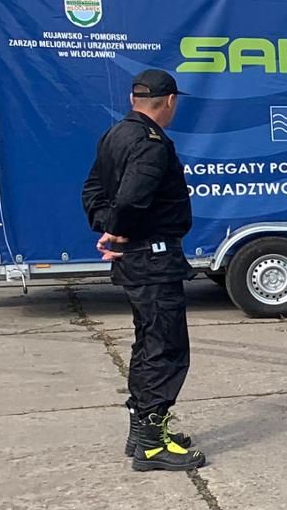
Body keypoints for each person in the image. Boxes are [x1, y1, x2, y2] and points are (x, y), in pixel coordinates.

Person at [80, 69, 204, 472]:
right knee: (165, 348)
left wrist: (108, 229)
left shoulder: (115, 135)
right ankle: (153, 443)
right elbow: (133, 200)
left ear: (135, 99)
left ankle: (141, 431)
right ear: (169, 101)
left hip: (138, 258)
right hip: (153, 258)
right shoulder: (152, 144)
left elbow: (92, 192)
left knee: (147, 342)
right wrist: (117, 231)